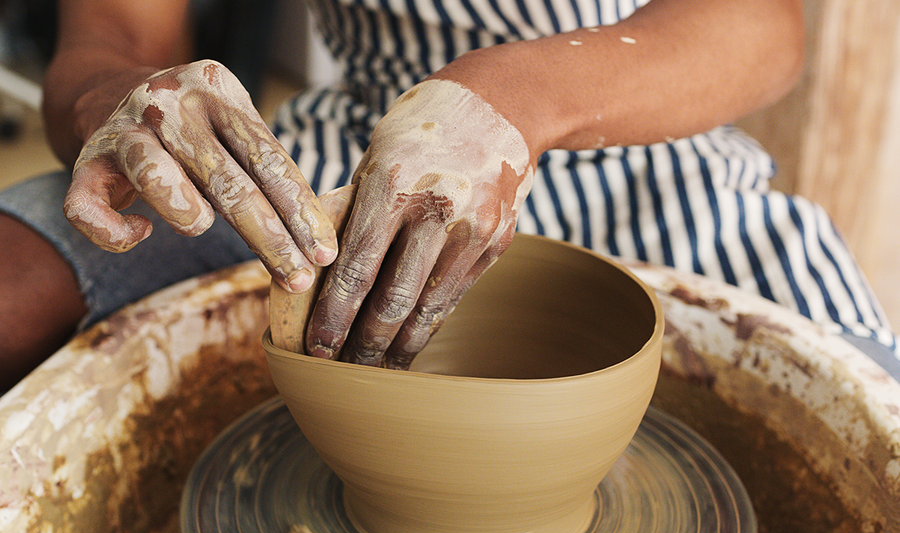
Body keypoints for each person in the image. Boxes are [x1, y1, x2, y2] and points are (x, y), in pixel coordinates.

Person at [0, 0, 897, 393]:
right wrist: (115, 102)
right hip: (355, 142)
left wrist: (516, 101)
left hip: (635, 132)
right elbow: (112, 30)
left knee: (868, 423)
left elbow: (760, 25)